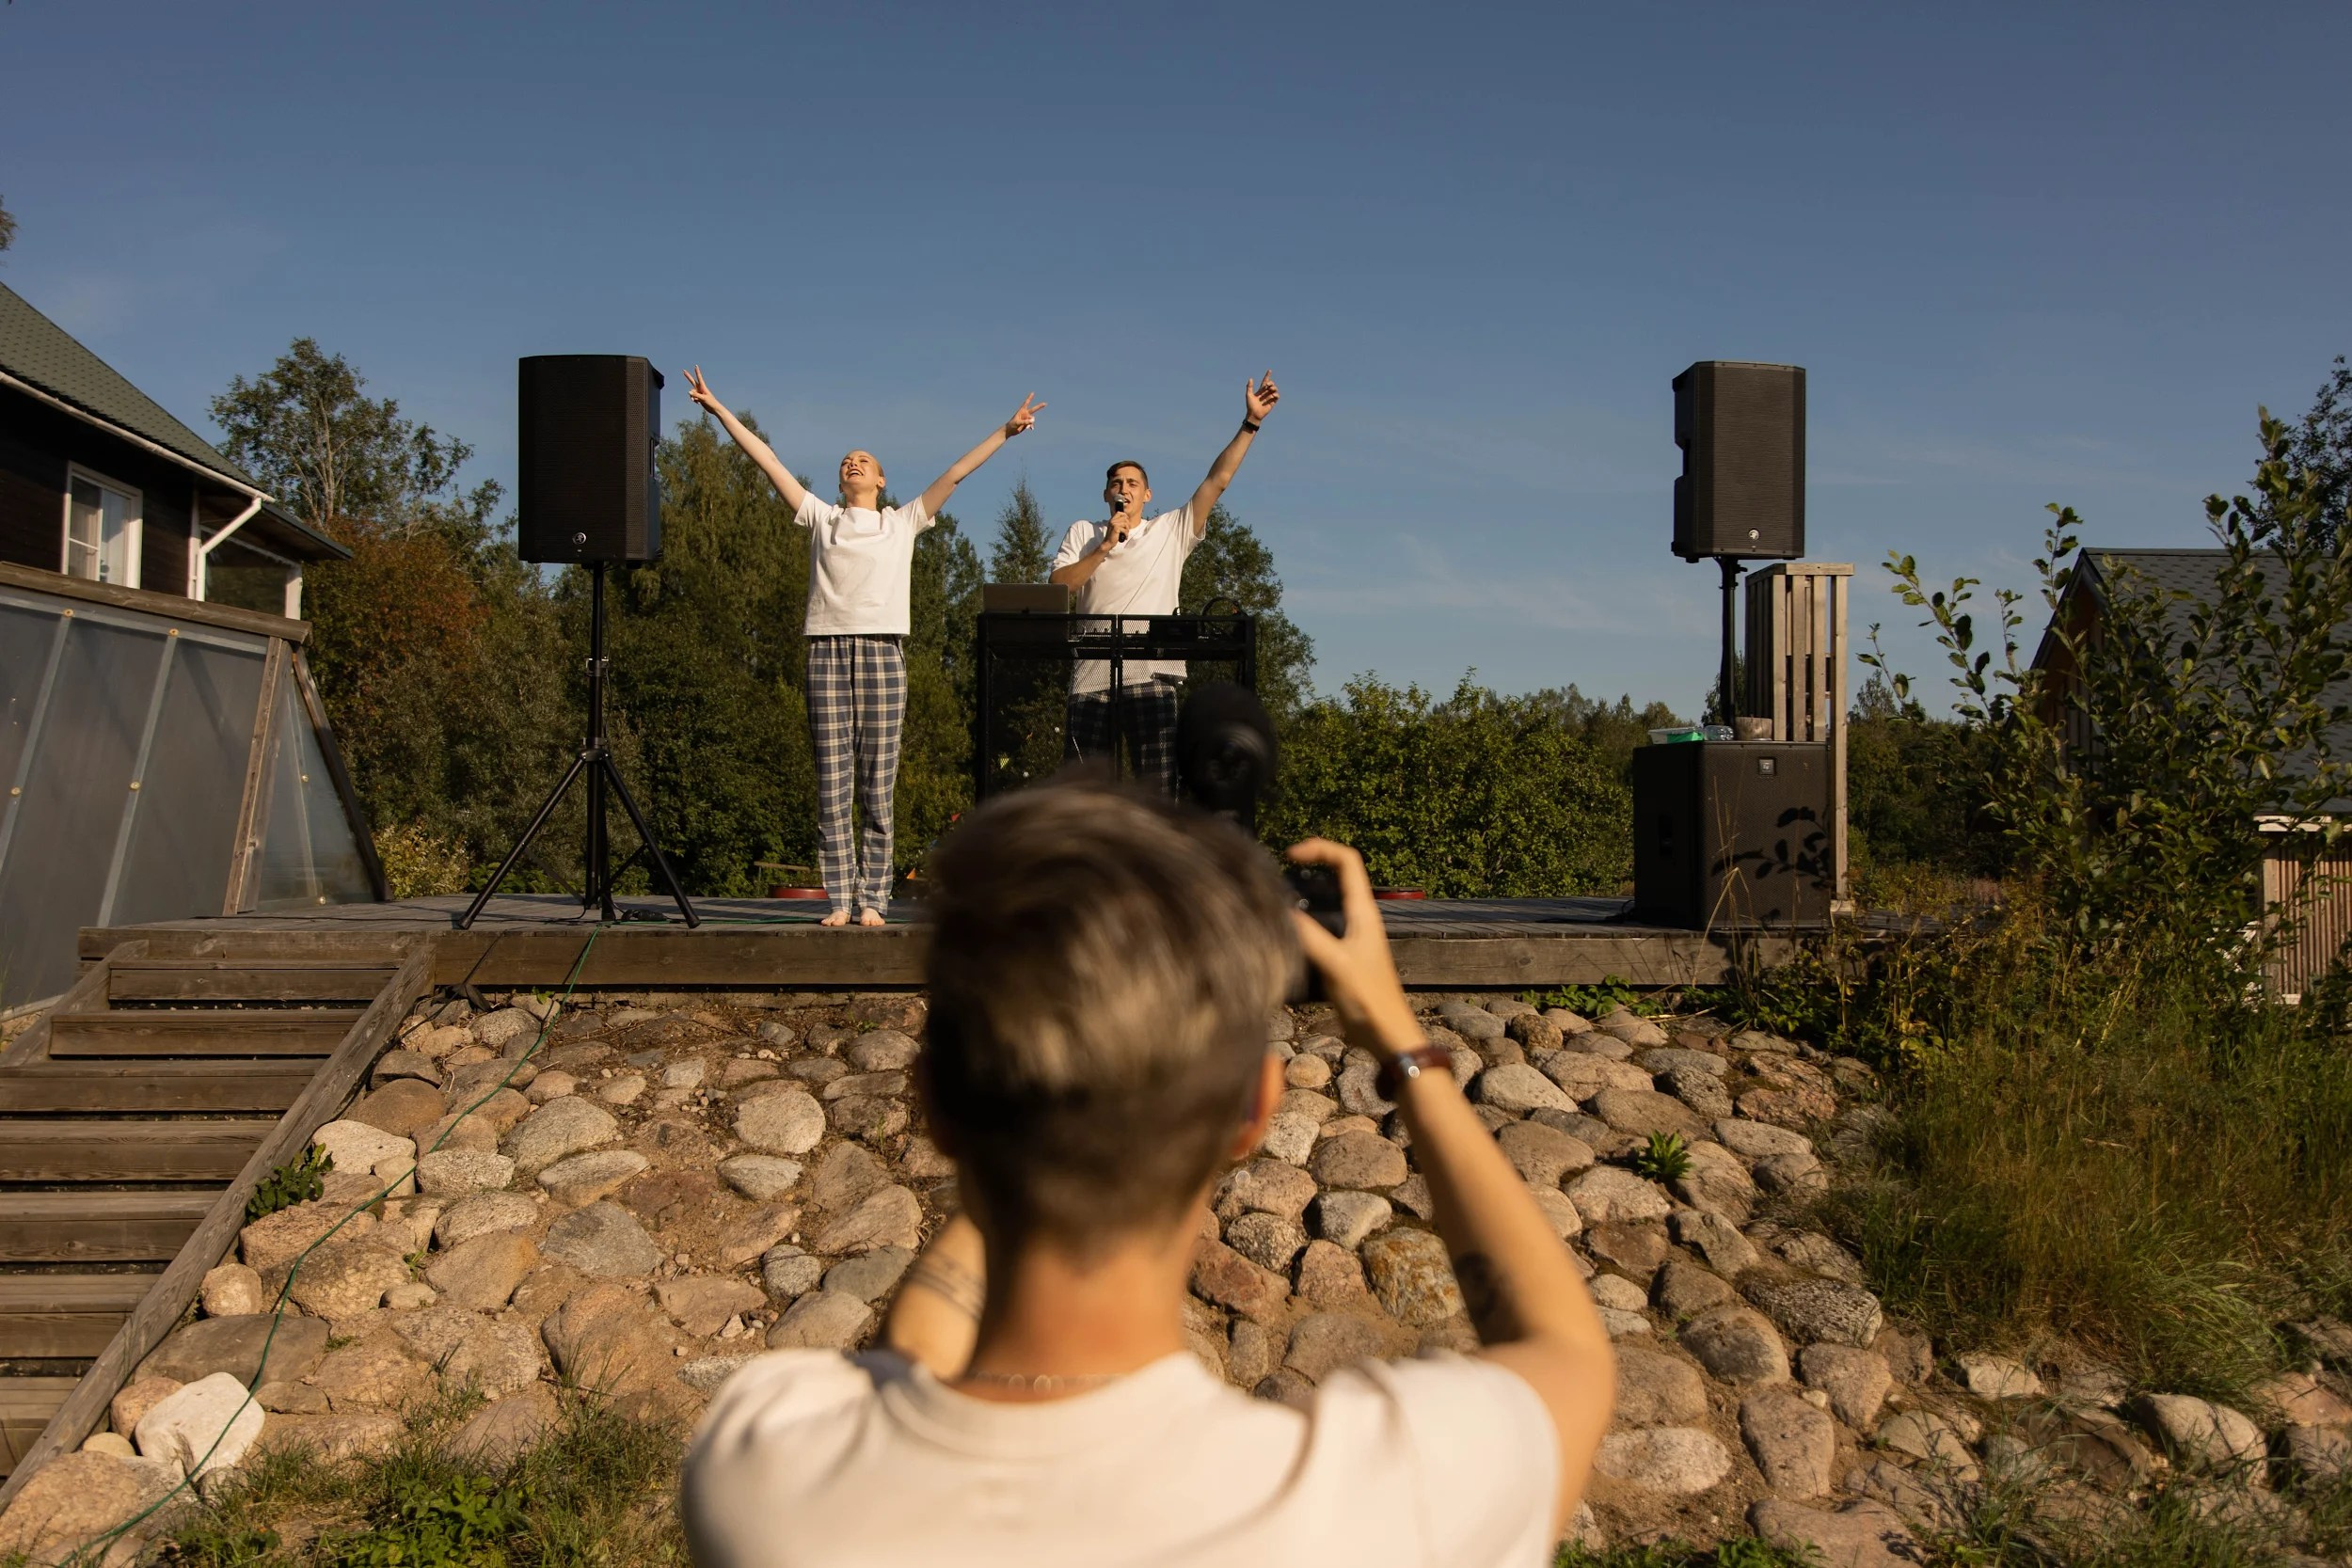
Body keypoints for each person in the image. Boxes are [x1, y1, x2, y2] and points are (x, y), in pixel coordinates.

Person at [681, 782, 1617, 1566]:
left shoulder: (763, 1464)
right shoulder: (1374, 1509)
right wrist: (1399, 1041)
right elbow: (1567, 1350)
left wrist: (1025, 1112)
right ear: (1254, 1109)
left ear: (935, 1104)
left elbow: (912, 1356)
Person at [682, 368, 1041, 926]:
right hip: (826, 651)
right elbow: (768, 461)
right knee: (833, 781)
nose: (852, 463)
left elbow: (956, 474)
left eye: (864, 461)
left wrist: (1005, 430)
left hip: (882, 652)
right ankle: (840, 900)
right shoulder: (821, 518)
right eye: (845, 460)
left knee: (878, 781)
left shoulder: (902, 523)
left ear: (880, 480)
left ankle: (873, 900)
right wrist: (720, 409)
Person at [1047, 374, 1279, 793]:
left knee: (1157, 791)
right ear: (1105, 493)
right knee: (1082, 794)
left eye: (1132, 483)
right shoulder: (1084, 533)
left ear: (1148, 495)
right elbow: (1057, 588)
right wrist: (1102, 549)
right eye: (1117, 483)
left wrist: (1251, 423)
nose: (1124, 489)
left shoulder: (1170, 530)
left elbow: (1217, 481)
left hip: (1151, 674)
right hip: (1091, 675)